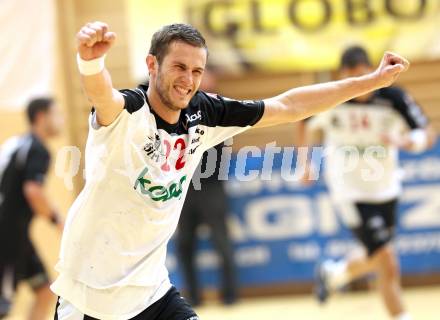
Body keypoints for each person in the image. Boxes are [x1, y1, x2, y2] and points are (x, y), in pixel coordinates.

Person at [51, 20, 409, 319]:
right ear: (152, 65)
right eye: (178, 67)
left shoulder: (204, 113)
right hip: (89, 298)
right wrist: (90, 62)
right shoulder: (129, 112)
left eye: (196, 71)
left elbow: (287, 105)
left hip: (150, 293)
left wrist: (370, 82)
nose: (188, 80)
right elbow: (102, 96)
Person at [299, 46, 435, 320]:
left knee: (376, 256)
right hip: (349, 190)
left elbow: (426, 132)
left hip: (386, 188)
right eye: (352, 78)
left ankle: (334, 273)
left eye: (364, 76)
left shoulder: (394, 98)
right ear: (343, 76)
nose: (359, 86)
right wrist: (305, 162)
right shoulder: (333, 96)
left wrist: (409, 141)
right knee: (387, 261)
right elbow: (302, 120)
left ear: (372, 71)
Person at [0, 98, 64, 320]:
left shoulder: (16, 144)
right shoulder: (37, 148)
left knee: (45, 290)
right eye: (56, 114)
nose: (61, 121)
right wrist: (58, 220)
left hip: (19, 237)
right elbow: (33, 191)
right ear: (41, 117)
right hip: (7, 238)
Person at [177, 142, 237, 307]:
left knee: (222, 242)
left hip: (212, 186)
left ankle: (230, 296)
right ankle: (193, 297)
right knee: (184, 244)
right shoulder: (180, 122)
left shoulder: (215, 118)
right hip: (185, 188)